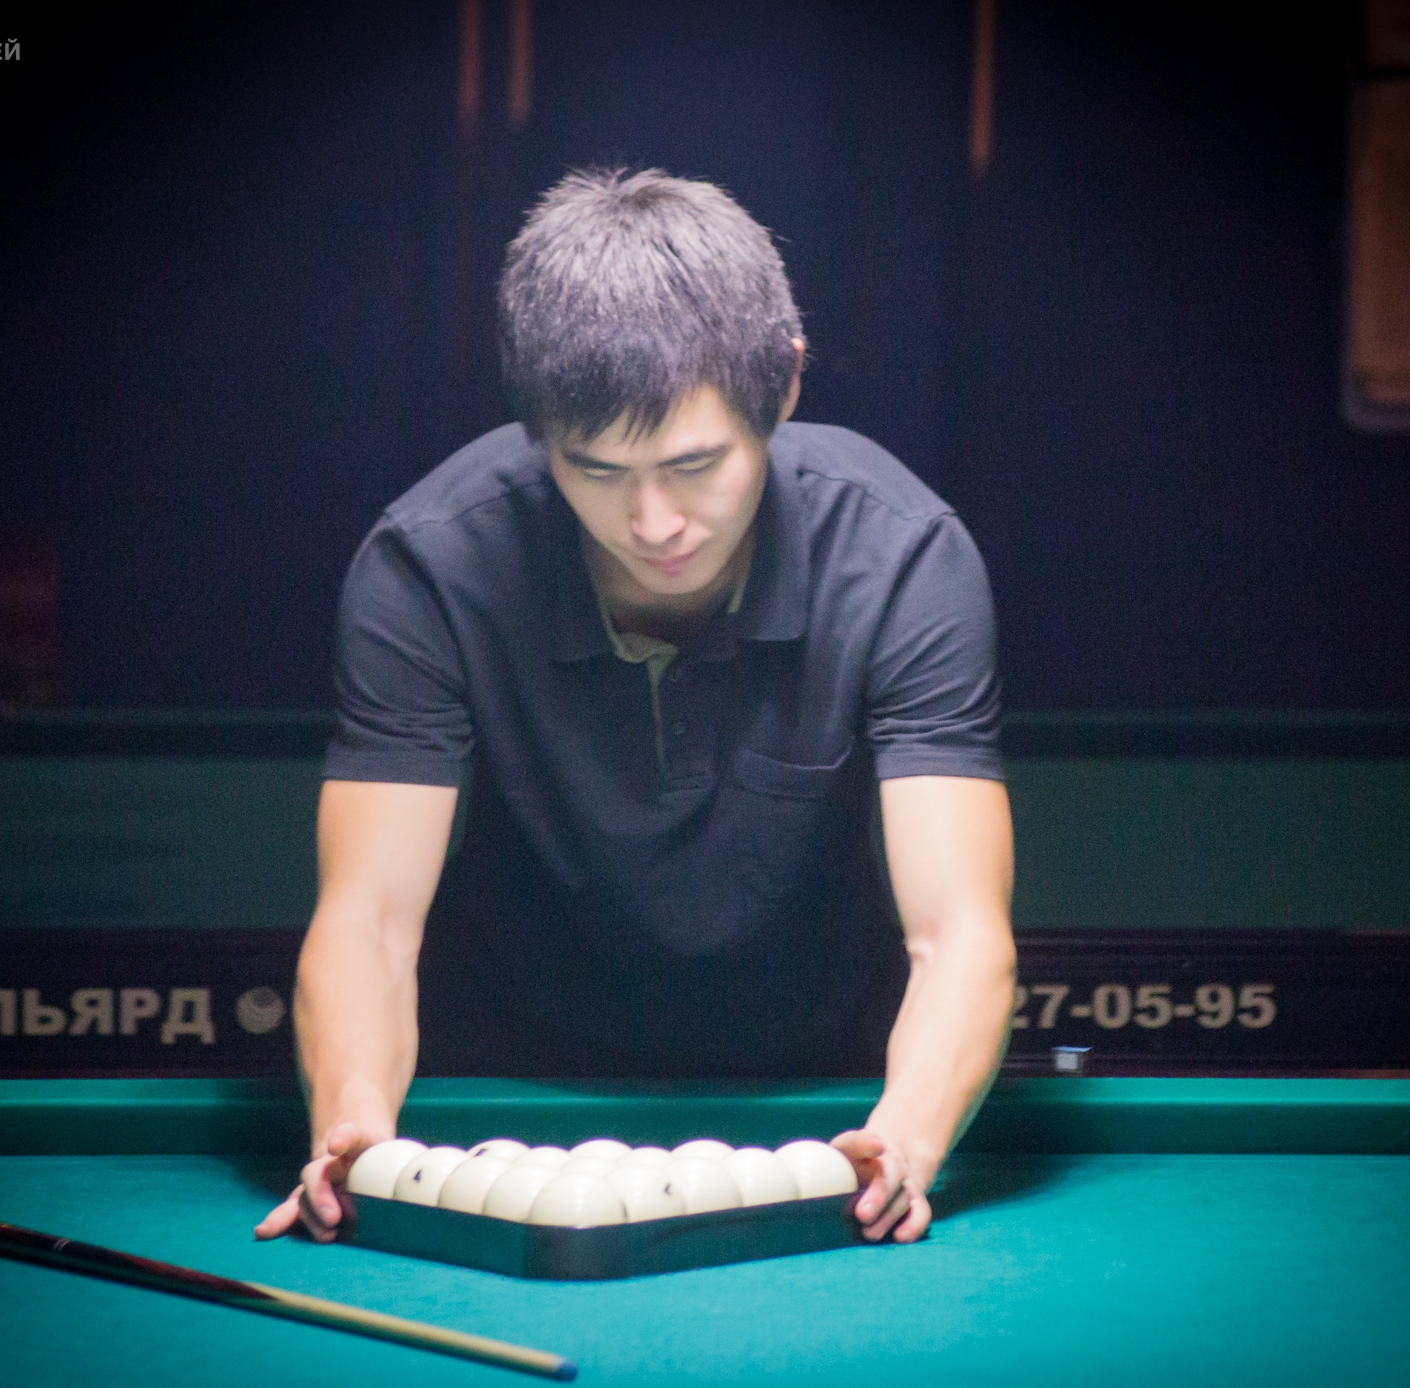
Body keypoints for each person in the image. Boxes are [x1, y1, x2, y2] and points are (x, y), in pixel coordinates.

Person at [256, 169, 1014, 1248]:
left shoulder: (902, 558)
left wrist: (904, 1142)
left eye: (694, 464)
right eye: (597, 468)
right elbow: (369, 922)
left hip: (820, 1118)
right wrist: (355, 1134)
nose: (653, 521)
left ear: (785, 386)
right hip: (503, 1124)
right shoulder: (431, 564)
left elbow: (959, 934)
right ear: (536, 431)